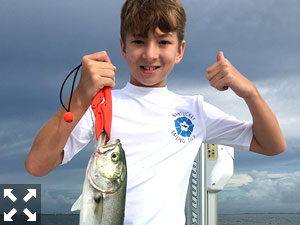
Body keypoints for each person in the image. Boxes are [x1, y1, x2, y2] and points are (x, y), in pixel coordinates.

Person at [25, 0, 286, 224]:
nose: (150, 55)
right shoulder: (100, 106)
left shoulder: (195, 110)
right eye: (139, 41)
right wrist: (81, 95)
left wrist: (250, 93)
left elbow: (272, 145)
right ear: (123, 47)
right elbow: (37, 165)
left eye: (163, 42)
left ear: (180, 50)